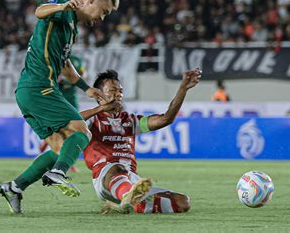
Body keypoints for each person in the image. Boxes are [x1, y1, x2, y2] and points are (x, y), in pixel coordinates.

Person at [0, 0, 119, 214]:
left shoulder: (71, 28)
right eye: (103, 11)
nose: (102, 18)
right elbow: (39, 11)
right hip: (39, 87)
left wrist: (87, 89)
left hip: (30, 91)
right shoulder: (64, 9)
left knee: (60, 148)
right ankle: (58, 173)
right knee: (82, 130)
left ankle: (14, 187)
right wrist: (62, 7)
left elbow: (65, 65)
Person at [81, 68, 201, 213]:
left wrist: (183, 88)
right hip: (105, 176)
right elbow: (68, 122)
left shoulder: (131, 121)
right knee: (117, 168)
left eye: (120, 90)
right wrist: (100, 109)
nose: (118, 94)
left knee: (182, 202)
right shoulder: (92, 120)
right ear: (99, 95)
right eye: (112, 90)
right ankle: (128, 197)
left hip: (132, 179)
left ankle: (130, 203)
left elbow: (166, 119)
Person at [39, 54, 84, 172]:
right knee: (61, 131)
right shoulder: (53, 58)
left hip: (71, 100)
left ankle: (63, 158)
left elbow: (82, 74)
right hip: (57, 99)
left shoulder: (76, 60)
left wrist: (74, 77)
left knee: (72, 131)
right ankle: (67, 161)